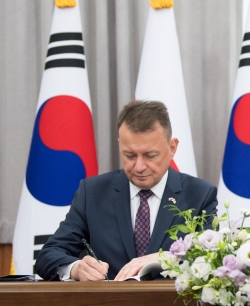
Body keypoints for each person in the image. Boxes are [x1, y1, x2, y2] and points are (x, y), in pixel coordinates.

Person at [35, 100, 218, 281]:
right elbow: (49, 255)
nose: (139, 166)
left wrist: (168, 258)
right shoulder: (92, 193)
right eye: (129, 155)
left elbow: (215, 259)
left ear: (172, 148)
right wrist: (75, 268)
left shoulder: (200, 195)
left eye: (150, 155)